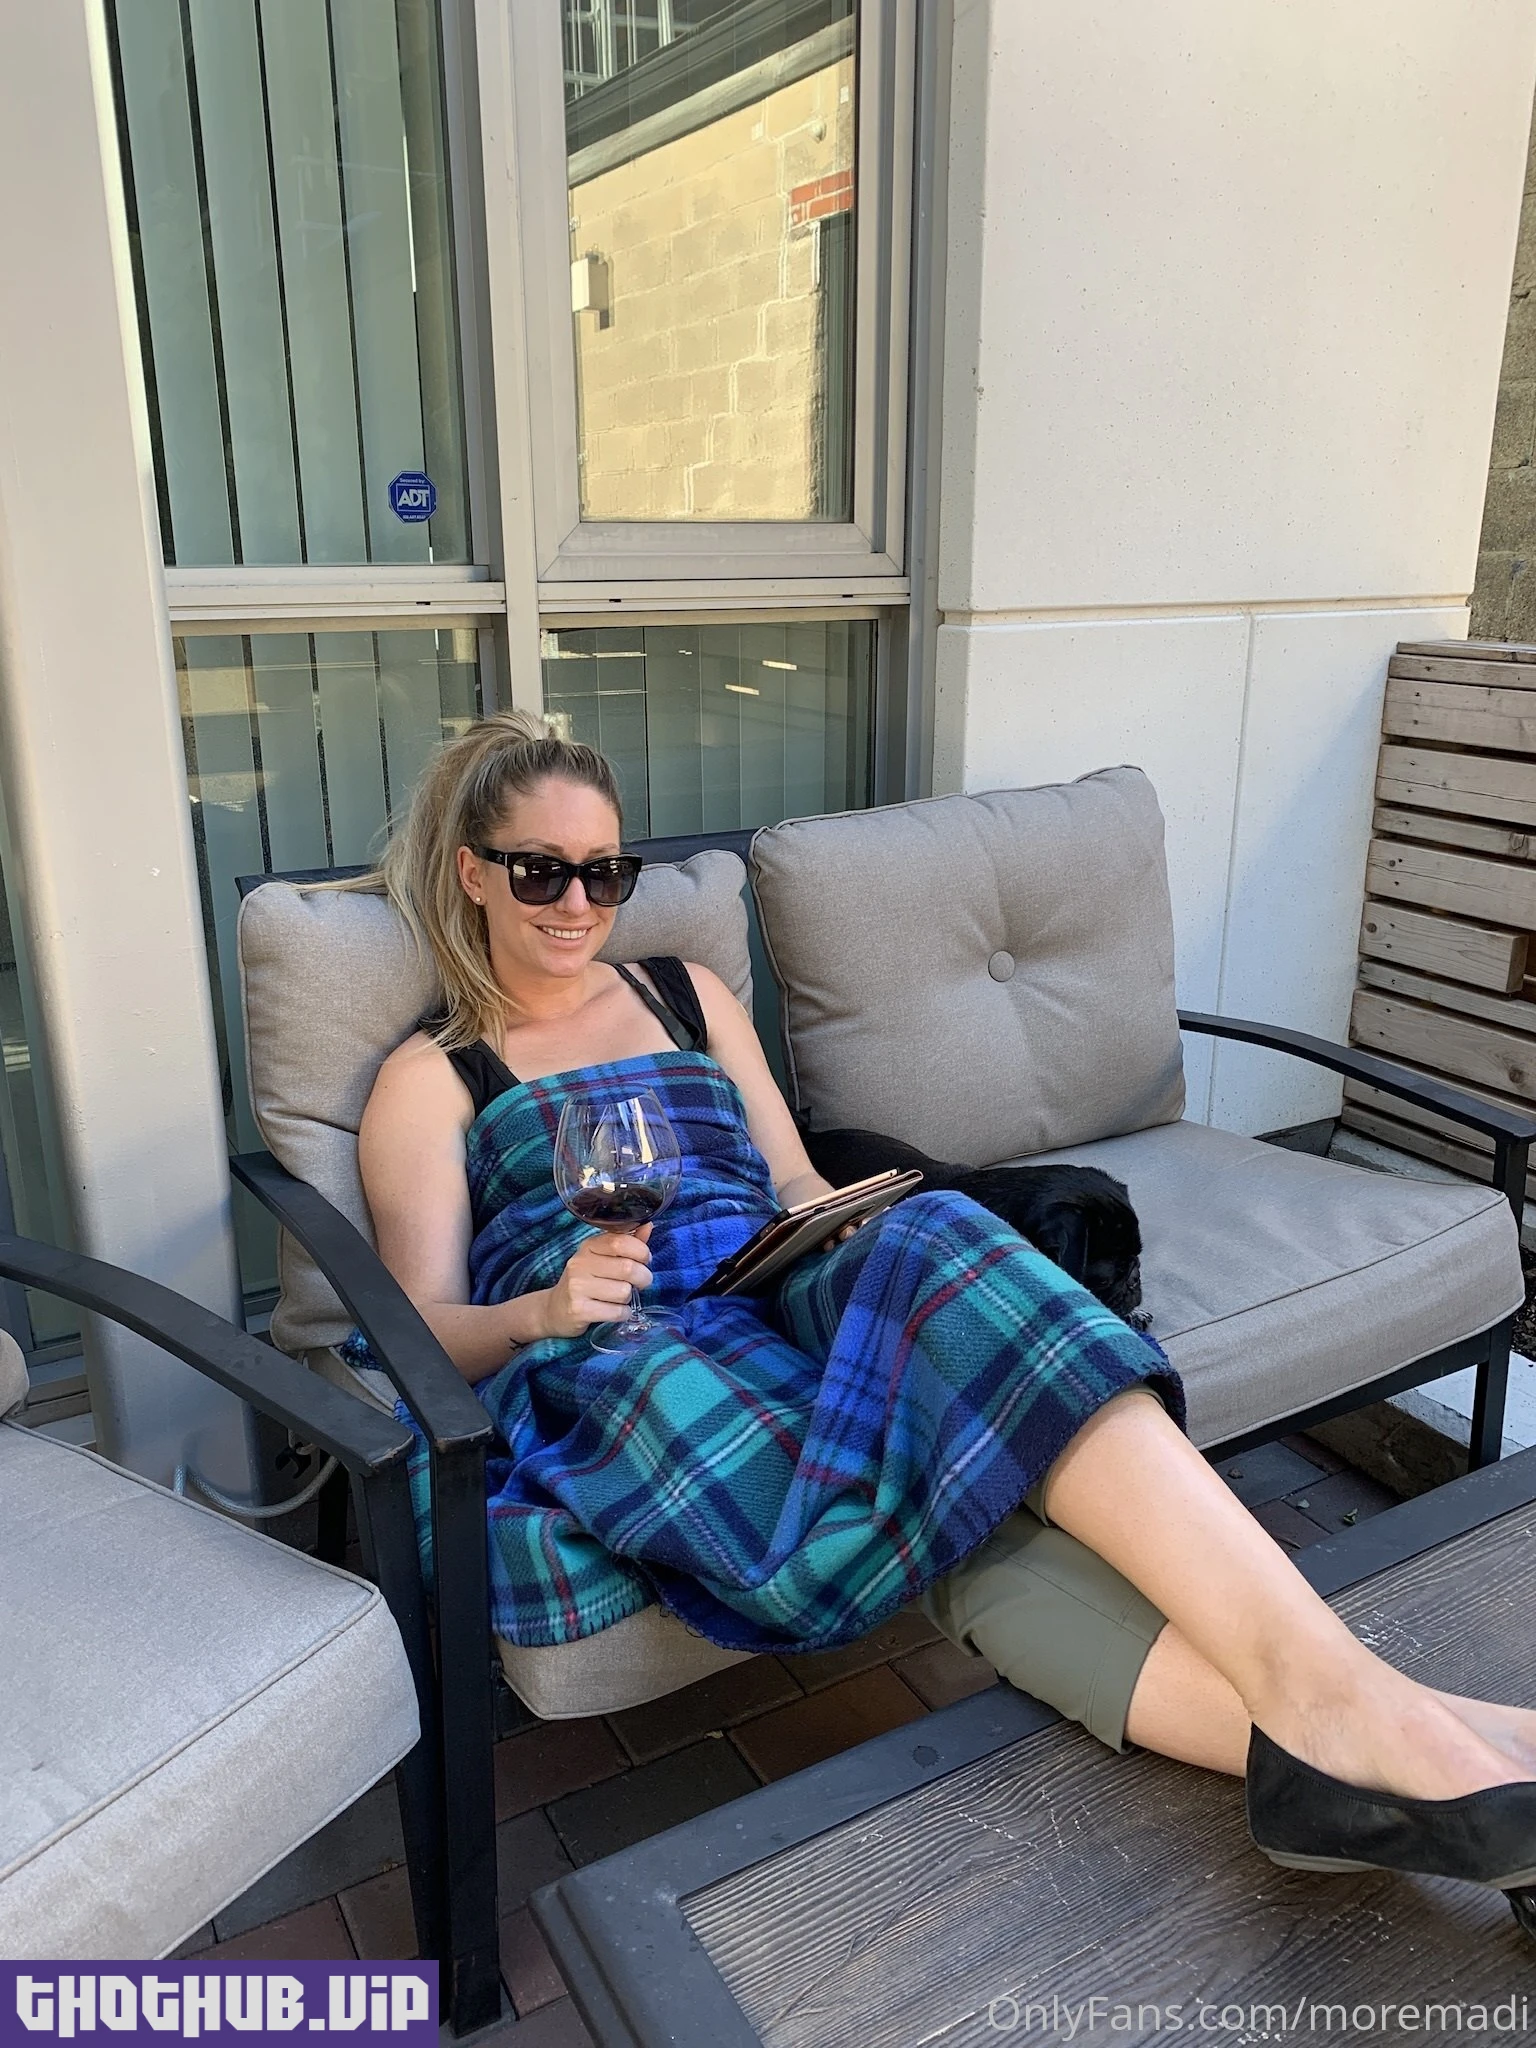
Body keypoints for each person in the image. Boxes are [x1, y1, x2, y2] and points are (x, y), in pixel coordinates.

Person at [354, 710, 1536, 1899]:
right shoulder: (433, 1074)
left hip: (775, 1278)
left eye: (605, 872)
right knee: (970, 1511)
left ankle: (1367, 1721)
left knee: (942, 1234)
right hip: (622, 1340)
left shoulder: (684, 993)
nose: (577, 902)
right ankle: (1417, 1738)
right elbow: (421, 1331)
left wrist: (836, 1217)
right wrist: (544, 1310)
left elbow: (792, 1178)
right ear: (475, 872)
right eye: (541, 871)